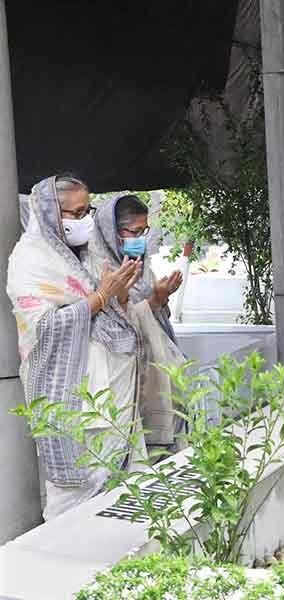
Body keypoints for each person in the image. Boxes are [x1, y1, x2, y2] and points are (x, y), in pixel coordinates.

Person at [7, 175, 145, 520]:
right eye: (77, 212)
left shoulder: (85, 255)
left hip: (110, 392)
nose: (86, 220)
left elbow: (112, 316)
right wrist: (98, 298)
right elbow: (43, 328)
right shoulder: (30, 259)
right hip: (73, 400)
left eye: (89, 210)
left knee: (119, 494)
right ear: (52, 213)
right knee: (74, 500)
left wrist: (116, 295)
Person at [90, 194, 185, 452]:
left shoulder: (140, 267)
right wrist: (152, 301)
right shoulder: (95, 269)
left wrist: (159, 298)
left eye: (145, 231)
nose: (141, 239)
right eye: (135, 231)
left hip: (152, 371)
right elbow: (106, 324)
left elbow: (149, 316)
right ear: (112, 232)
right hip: (119, 383)